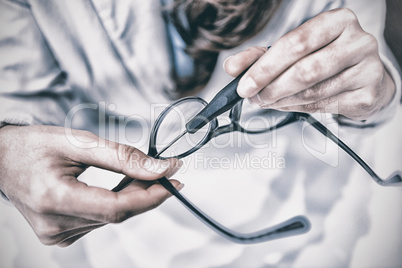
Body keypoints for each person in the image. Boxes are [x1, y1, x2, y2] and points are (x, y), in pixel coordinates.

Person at [0, 0, 401, 266]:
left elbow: (360, 65)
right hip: (105, 245)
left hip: (300, 223)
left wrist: (376, 91)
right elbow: (19, 97)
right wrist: (7, 150)